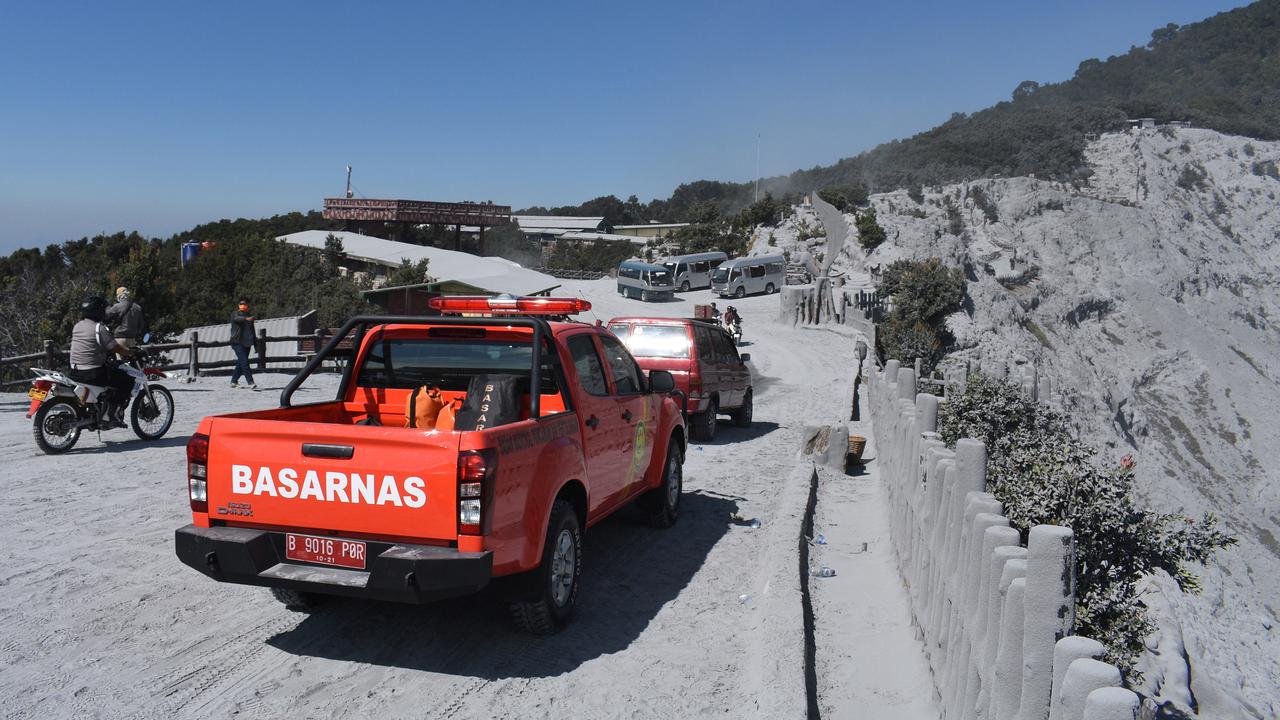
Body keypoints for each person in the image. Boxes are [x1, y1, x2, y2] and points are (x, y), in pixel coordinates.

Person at [68, 295, 135, 426]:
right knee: (126, 380)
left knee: (111, 375)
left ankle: (99, 409)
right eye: (103, 309)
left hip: (74, 370)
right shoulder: (99, 328)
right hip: (92, 372)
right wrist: (129, 352)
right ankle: (111, 415)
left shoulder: (78, 326)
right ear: (97, 311)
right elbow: (114, 347)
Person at [106, 286, 146, 354]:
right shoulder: (137, 307)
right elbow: (141, 324)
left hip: (120, 338)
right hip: (132, 338)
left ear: (119, 296)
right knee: (133, 360)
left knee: (121, 362)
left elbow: (106, 315)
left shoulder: (117, 306)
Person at [229, 299, 258, 390]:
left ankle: (233, 381)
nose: (243, 305)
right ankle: (250, 382)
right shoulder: (235, 314)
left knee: (241, 363)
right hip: (237, 342)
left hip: (247, 343)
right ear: (238, 305)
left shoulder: (249, 317)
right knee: (245, 362)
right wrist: (245, 319)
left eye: (244, 304)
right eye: (241, 304)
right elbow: (236, 319)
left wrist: (255, 345)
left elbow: (253, 332)